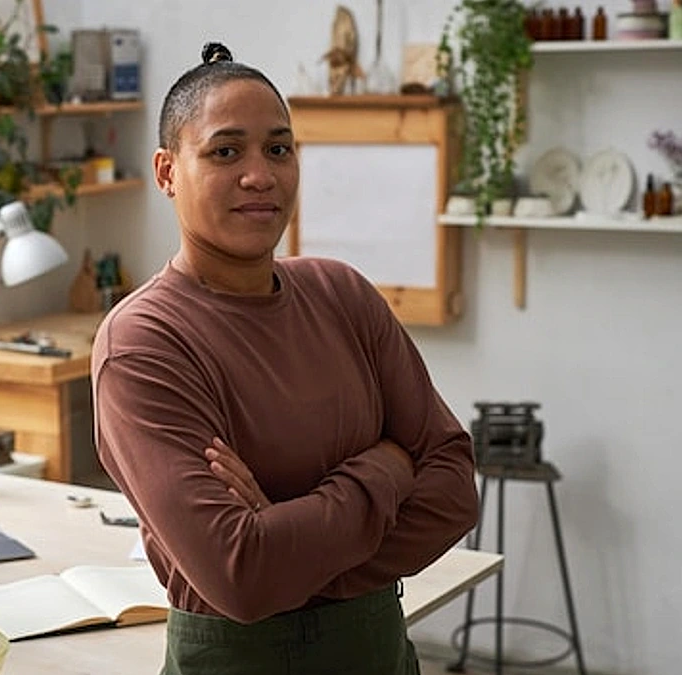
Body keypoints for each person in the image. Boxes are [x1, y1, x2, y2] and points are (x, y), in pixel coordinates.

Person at [90, 42, 480, 675]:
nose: (260, 174)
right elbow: (243, 576)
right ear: (167, 172)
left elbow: (455, 494)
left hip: (378, 654)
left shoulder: (342, 294)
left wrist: (285, 537)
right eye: (225, 151)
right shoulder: (143, 342)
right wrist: (384, 469)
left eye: (278, 148)